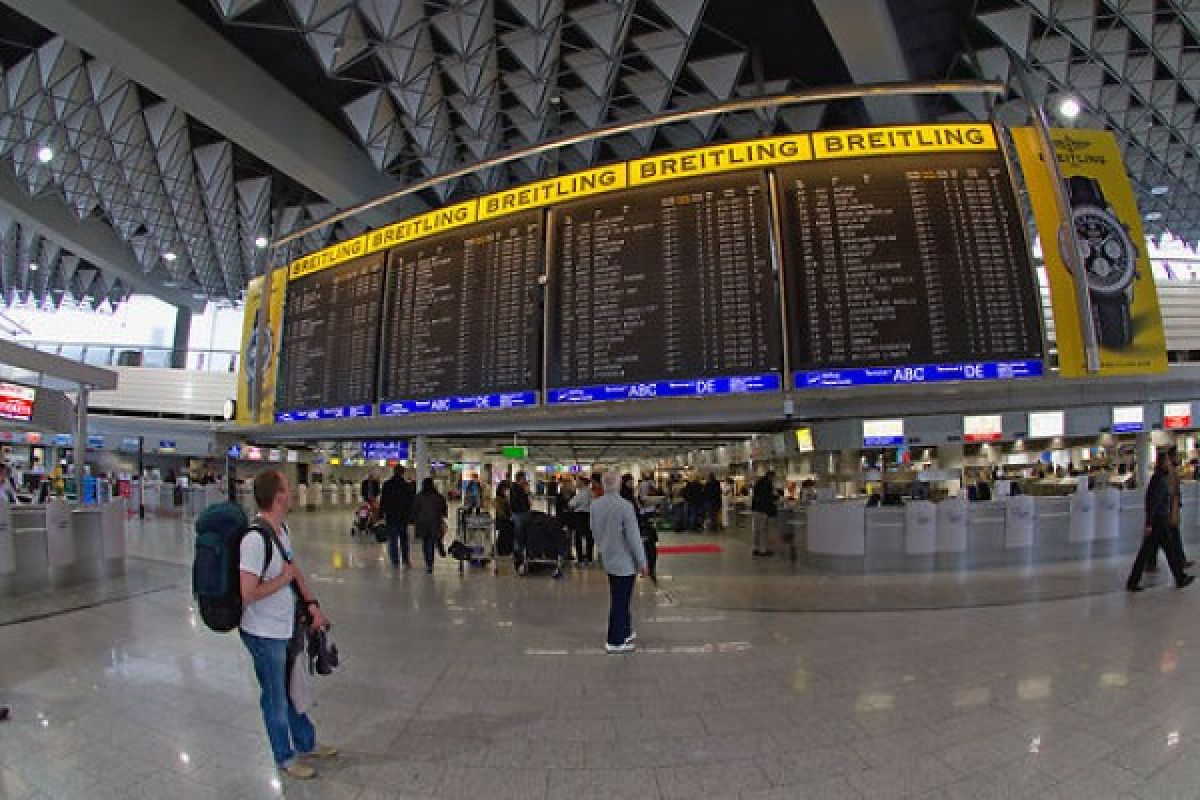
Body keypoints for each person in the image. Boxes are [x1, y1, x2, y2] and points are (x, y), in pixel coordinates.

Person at [238, 469, 335, 781]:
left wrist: (313, 606)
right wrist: (283, 579)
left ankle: (306, 742)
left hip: (285, 627)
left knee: (292, 689)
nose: (292, 492)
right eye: (288, 488)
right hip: (263, 634)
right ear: (278, 496)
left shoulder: (282, 531)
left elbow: (294, 571)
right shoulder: (254, 540)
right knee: (275, 697)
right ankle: (284, 756)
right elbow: (248, 593)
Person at [590, 470, 647, 654]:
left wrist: (603, 548)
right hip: (625, 562)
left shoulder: (595, 505)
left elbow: (594, 531)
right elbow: (633, 537)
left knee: (620, 597)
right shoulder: (625, 506)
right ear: (618, 484)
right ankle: (614, 641)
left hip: (608, 558)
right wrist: (642, 561)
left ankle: (626, 631)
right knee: (620, 601)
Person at [1128, 452, 1194, 592]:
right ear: (1163, 463)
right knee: (1153, 552)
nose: (1170, 464)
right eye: (1168, 462)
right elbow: (1153, 502)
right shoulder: (1159, 480)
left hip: (1160, 520)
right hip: (1159, 521)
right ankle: (1179, 577)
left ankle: (1179, 577)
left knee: (1161, 551)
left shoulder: (1159, 478)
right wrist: (1149, 523)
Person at [621, 473, 657, 581]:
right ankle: (647, 567)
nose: (632, 483)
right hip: (638, 525)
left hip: (642, 523)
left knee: (649, 546)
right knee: (647, 546)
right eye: (629, 482)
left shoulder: (631, 495)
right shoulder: (625, 495)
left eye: (632, 481)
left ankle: (649, 567)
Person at [379, 465, 415, 569]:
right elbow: (410, 502)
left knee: (393, 540)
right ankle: (406, 560)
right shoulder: (406, 486)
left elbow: (383, 501)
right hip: (403, 517)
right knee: (404, 540)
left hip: (391, 516)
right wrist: (411, 516)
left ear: (394, 472)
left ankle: (395, 562)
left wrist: (381, 514)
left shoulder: (387, 484)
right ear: (402, 473)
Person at [411, 477, 448, 574]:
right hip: (434, 522)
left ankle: (428, 563)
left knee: (425, 542)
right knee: (431, 542)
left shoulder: (418, 496)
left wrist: (414, 519)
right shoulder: (438, 496)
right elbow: (443, 509)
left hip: (422, 523)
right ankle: (430, 563)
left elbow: (414, 509)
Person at [568, 473, 593, 566]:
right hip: (588, 516)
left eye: (577, 481)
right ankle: (589, 558)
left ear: (582, 482)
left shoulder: (582, 493)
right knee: (589, 537)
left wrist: (569, 503)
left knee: (578, 537)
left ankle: (580, 560)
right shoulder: (590, 492)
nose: (576, 483)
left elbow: (571, 504)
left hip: (580, 516)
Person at [510, 471, 532, 574]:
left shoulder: (519, 488)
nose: (525, 480)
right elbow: (517, 503)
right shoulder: (516, 489)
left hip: (522, 514)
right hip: (519, 515)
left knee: (522, 537)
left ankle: (521, 559)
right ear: (520, 479)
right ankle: (518, 560)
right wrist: (525, 493)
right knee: (518, 538)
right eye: (524, 479)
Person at [751, 470, 777, 557]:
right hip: (763, 510)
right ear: (770, 476)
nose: (773, 479)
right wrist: (776, 497)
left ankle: (755, 549)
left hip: (756, 509)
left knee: (756, 530)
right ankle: (763, 550)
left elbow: (756, 495)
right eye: (773, 477)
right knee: (762, 530)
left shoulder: (759, 482)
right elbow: (768, 497)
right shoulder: (767, 484)